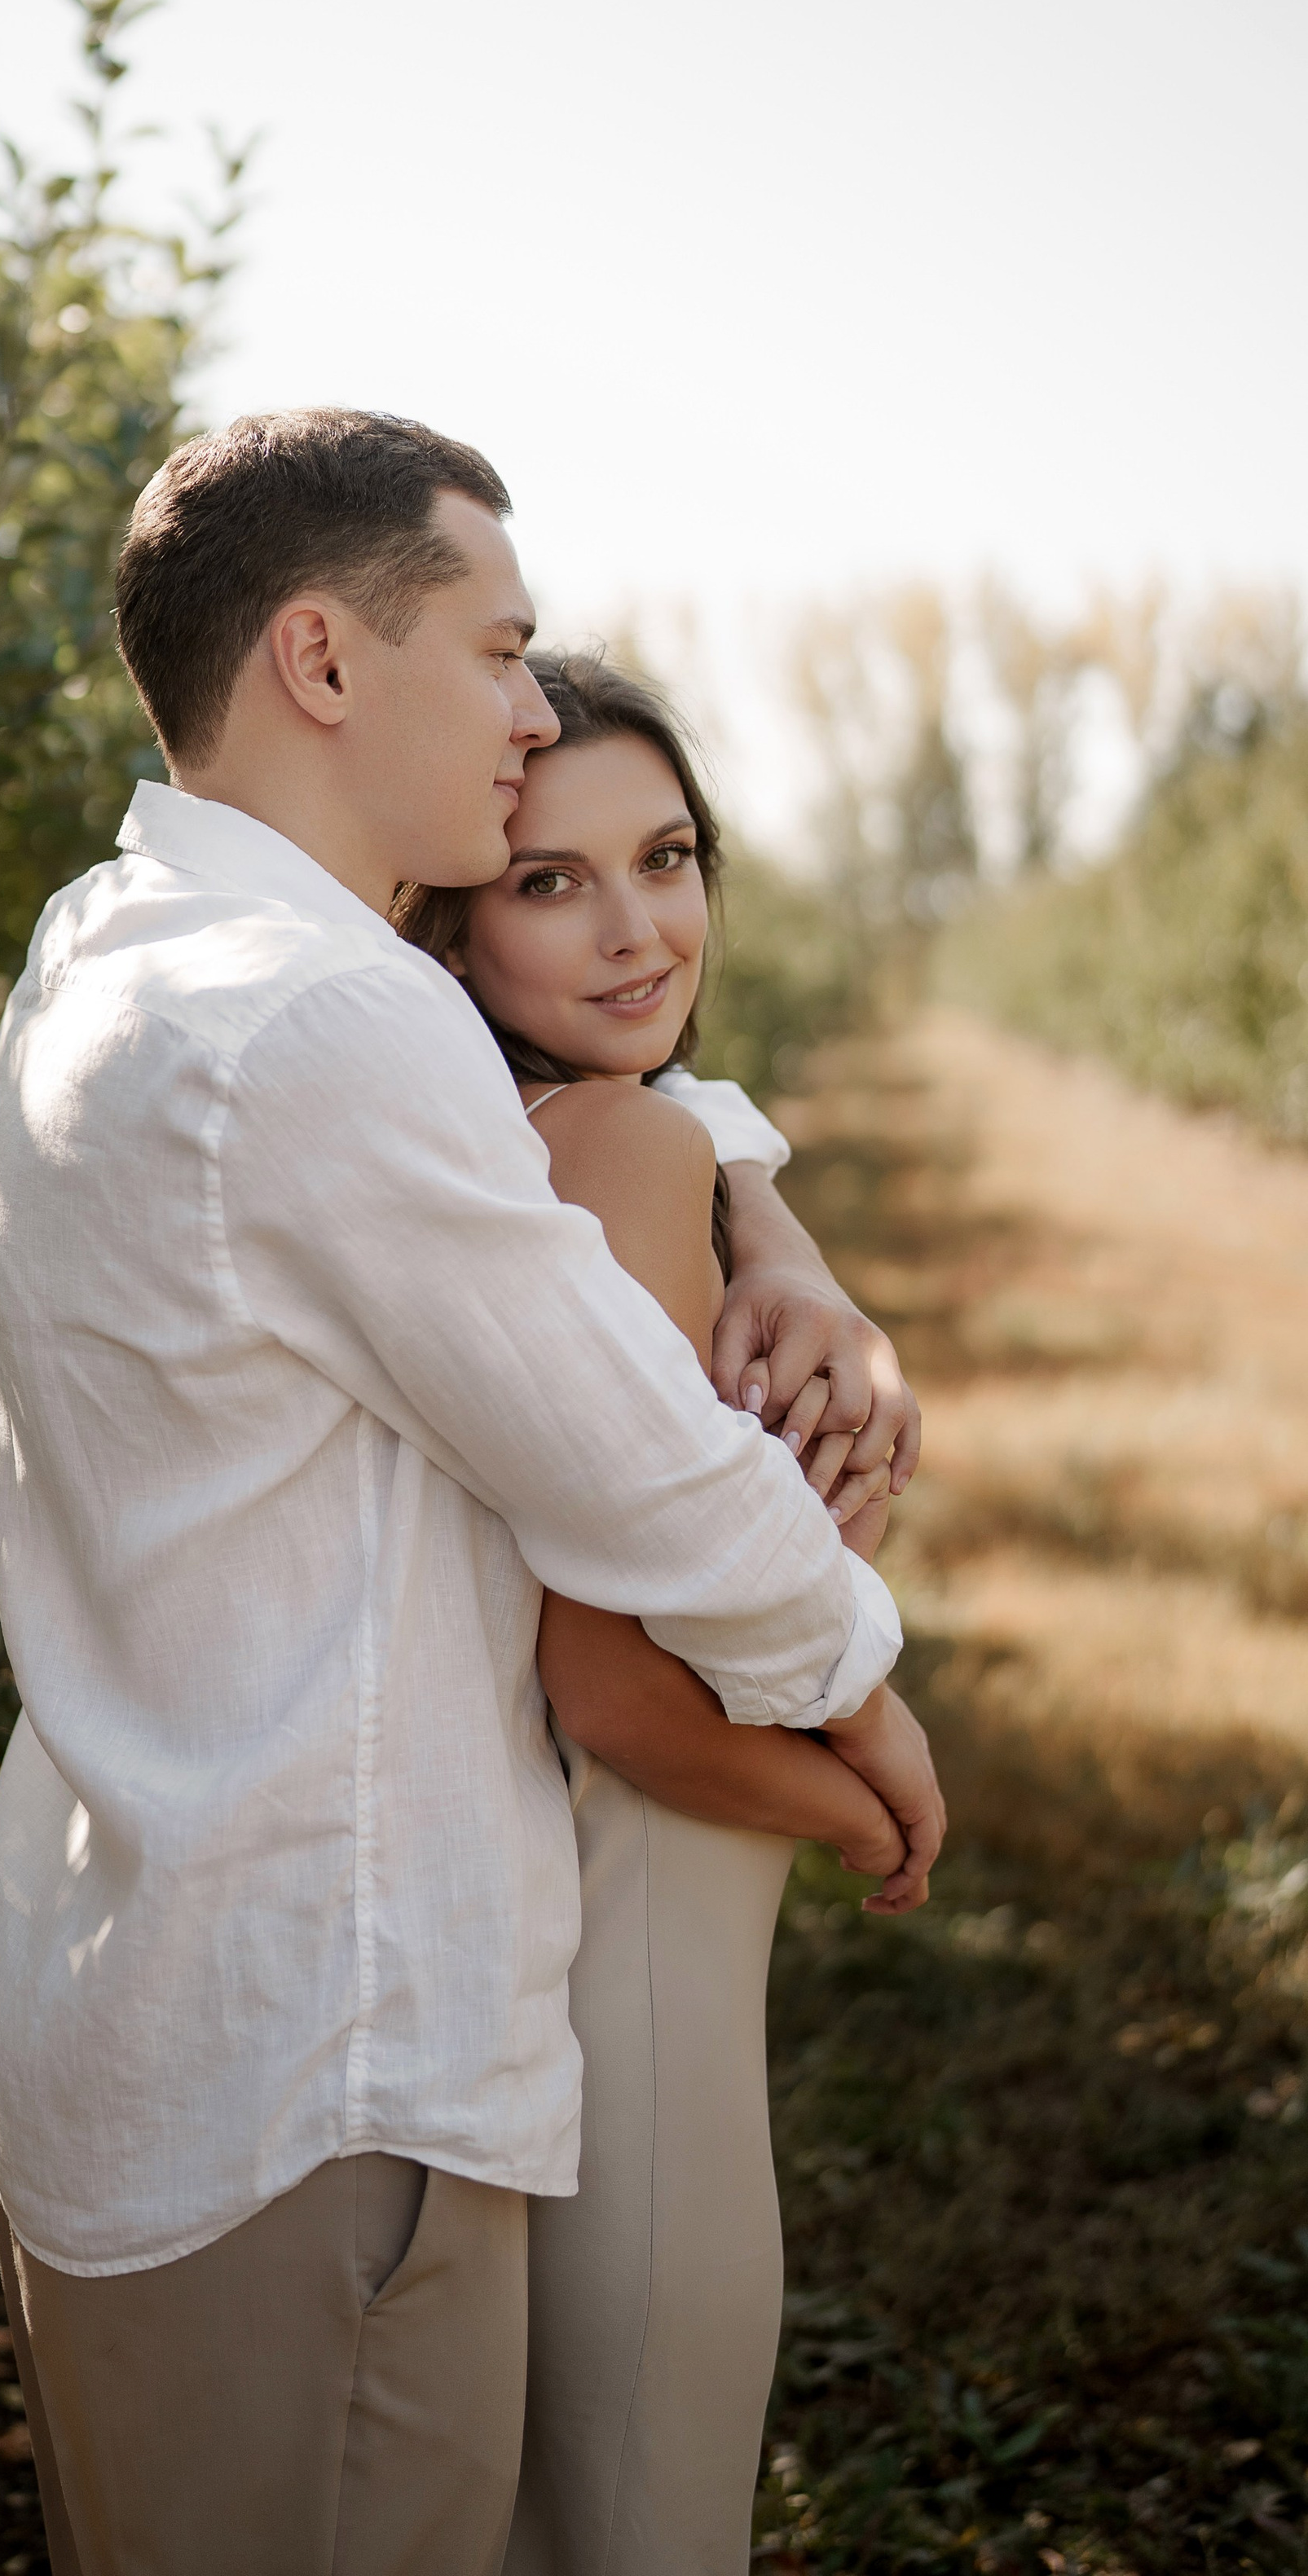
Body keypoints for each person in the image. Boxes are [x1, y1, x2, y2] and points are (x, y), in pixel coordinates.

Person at [0, 407, 943, 2576]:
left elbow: (603, 1140)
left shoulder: (111, 943)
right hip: (314, 2055)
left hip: (154, 1989)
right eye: (498, 652)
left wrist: (756, 1200)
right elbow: (649, 1493)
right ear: (323, 659)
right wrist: (866, 1701)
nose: (524, 714)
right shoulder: (317, 1021)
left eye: (659, 858)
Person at [399, 651, 909, 2575]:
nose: (636, 931)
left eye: (666, 857)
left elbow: (690, 1109)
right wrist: (866, 1797)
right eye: (549, 881)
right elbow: (604, 1682)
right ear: (448, 923)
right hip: (637, 1933)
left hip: (589, 1937)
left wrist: (767, 1221)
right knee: (645, 2516)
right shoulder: (610, 1149)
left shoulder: (581, 1130)